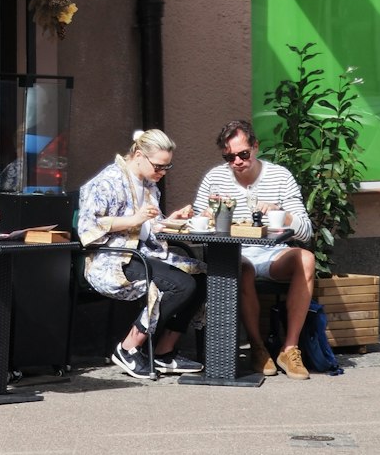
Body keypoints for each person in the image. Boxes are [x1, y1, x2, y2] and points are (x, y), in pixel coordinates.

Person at [78, 128, 206, 380]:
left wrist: (171, 220)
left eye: (167, 167)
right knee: (179, 285)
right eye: (159, 166)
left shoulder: (149, 185)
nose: (162, 173)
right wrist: (133, 220)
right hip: (113, 258)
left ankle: (163, 351)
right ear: (138, 155)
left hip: (144, 254)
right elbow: (87, 229)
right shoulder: (107, 182)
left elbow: (149, 228)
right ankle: (128, 347)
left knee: (201, 277)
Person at [193, 118, 315, 380]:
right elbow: (196, 225)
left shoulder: (280, 176)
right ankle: (257, 349)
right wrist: (205, 216)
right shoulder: (215, 178)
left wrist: (283, 214)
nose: (236, 161)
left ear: (256, 147)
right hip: (236, 254)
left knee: (306, 259)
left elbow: (306, 230)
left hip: (273, 254)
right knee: (243, 268)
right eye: (229, 157)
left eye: (243, 154)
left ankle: (290, 348)